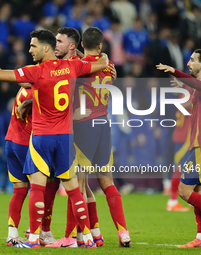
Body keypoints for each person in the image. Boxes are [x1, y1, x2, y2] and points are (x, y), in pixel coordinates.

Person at [0, 29, 109, 249]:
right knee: (74, 190)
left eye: (33, 46)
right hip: (65, 138)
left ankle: (33, 240)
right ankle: (87, 239)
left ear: (46, 48)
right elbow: (103, 61)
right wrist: (90, 56)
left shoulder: (36, 71)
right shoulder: (73, 67)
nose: (30, 50)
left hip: (42, 137)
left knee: (37, 188)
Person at [71, 27, 131, 248]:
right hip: (104, 126)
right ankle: (122, 233)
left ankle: (86, 235)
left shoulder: (80, 67)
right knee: (107, 183)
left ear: (81, 45)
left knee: (78, 183)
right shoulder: (109, 66)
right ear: (100, 46)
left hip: (84, 127)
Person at [156, 46, 201, 248]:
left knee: (185, 191)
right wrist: (184, 86)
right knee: (198, 192)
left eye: (192, 60)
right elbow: (195, 97)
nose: (188, 63)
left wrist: (174, 71)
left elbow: (197, 86)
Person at [4, 87, 32, 246]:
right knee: (41, 187)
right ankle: (34, 230)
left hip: (11, 140)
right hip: (25, 143)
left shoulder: (24, 87)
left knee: (20, 191)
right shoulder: (37, 89)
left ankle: (12, 234)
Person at [166, 91, 191, 212]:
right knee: (180, 168)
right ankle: (172, 201)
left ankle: (192, 197)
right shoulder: (190, 94)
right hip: (185, 137)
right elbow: (181, 106)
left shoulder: (188, 93)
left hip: (186, 136)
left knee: (189, 168)